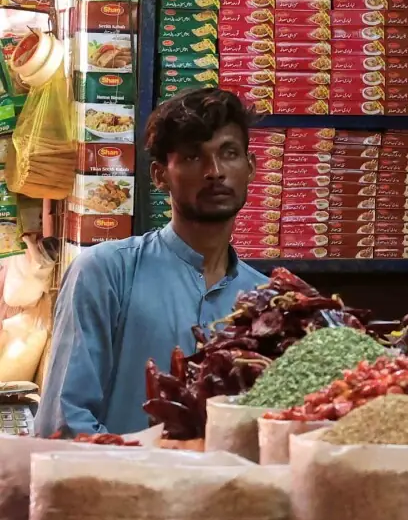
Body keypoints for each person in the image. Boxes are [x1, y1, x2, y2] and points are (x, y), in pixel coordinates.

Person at [36, 88, 268, 436]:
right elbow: (65, 424)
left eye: (229, 153)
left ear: (250, 168)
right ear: (160, 175)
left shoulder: (265, 300)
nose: (215, 171)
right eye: (193, 157)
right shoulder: (106, 272)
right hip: (115, 485)